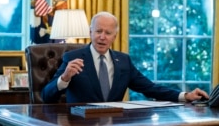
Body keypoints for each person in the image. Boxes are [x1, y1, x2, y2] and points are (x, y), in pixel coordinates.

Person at [41, 11, 209, 103]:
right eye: (98, 31)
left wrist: (185, 96)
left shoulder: (124, 61)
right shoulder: (72, 58)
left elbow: (150, 88)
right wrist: (65, 78)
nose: (102, 37)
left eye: (108, 33)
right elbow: (47, 97)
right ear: (90, 32)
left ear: (115, 37)